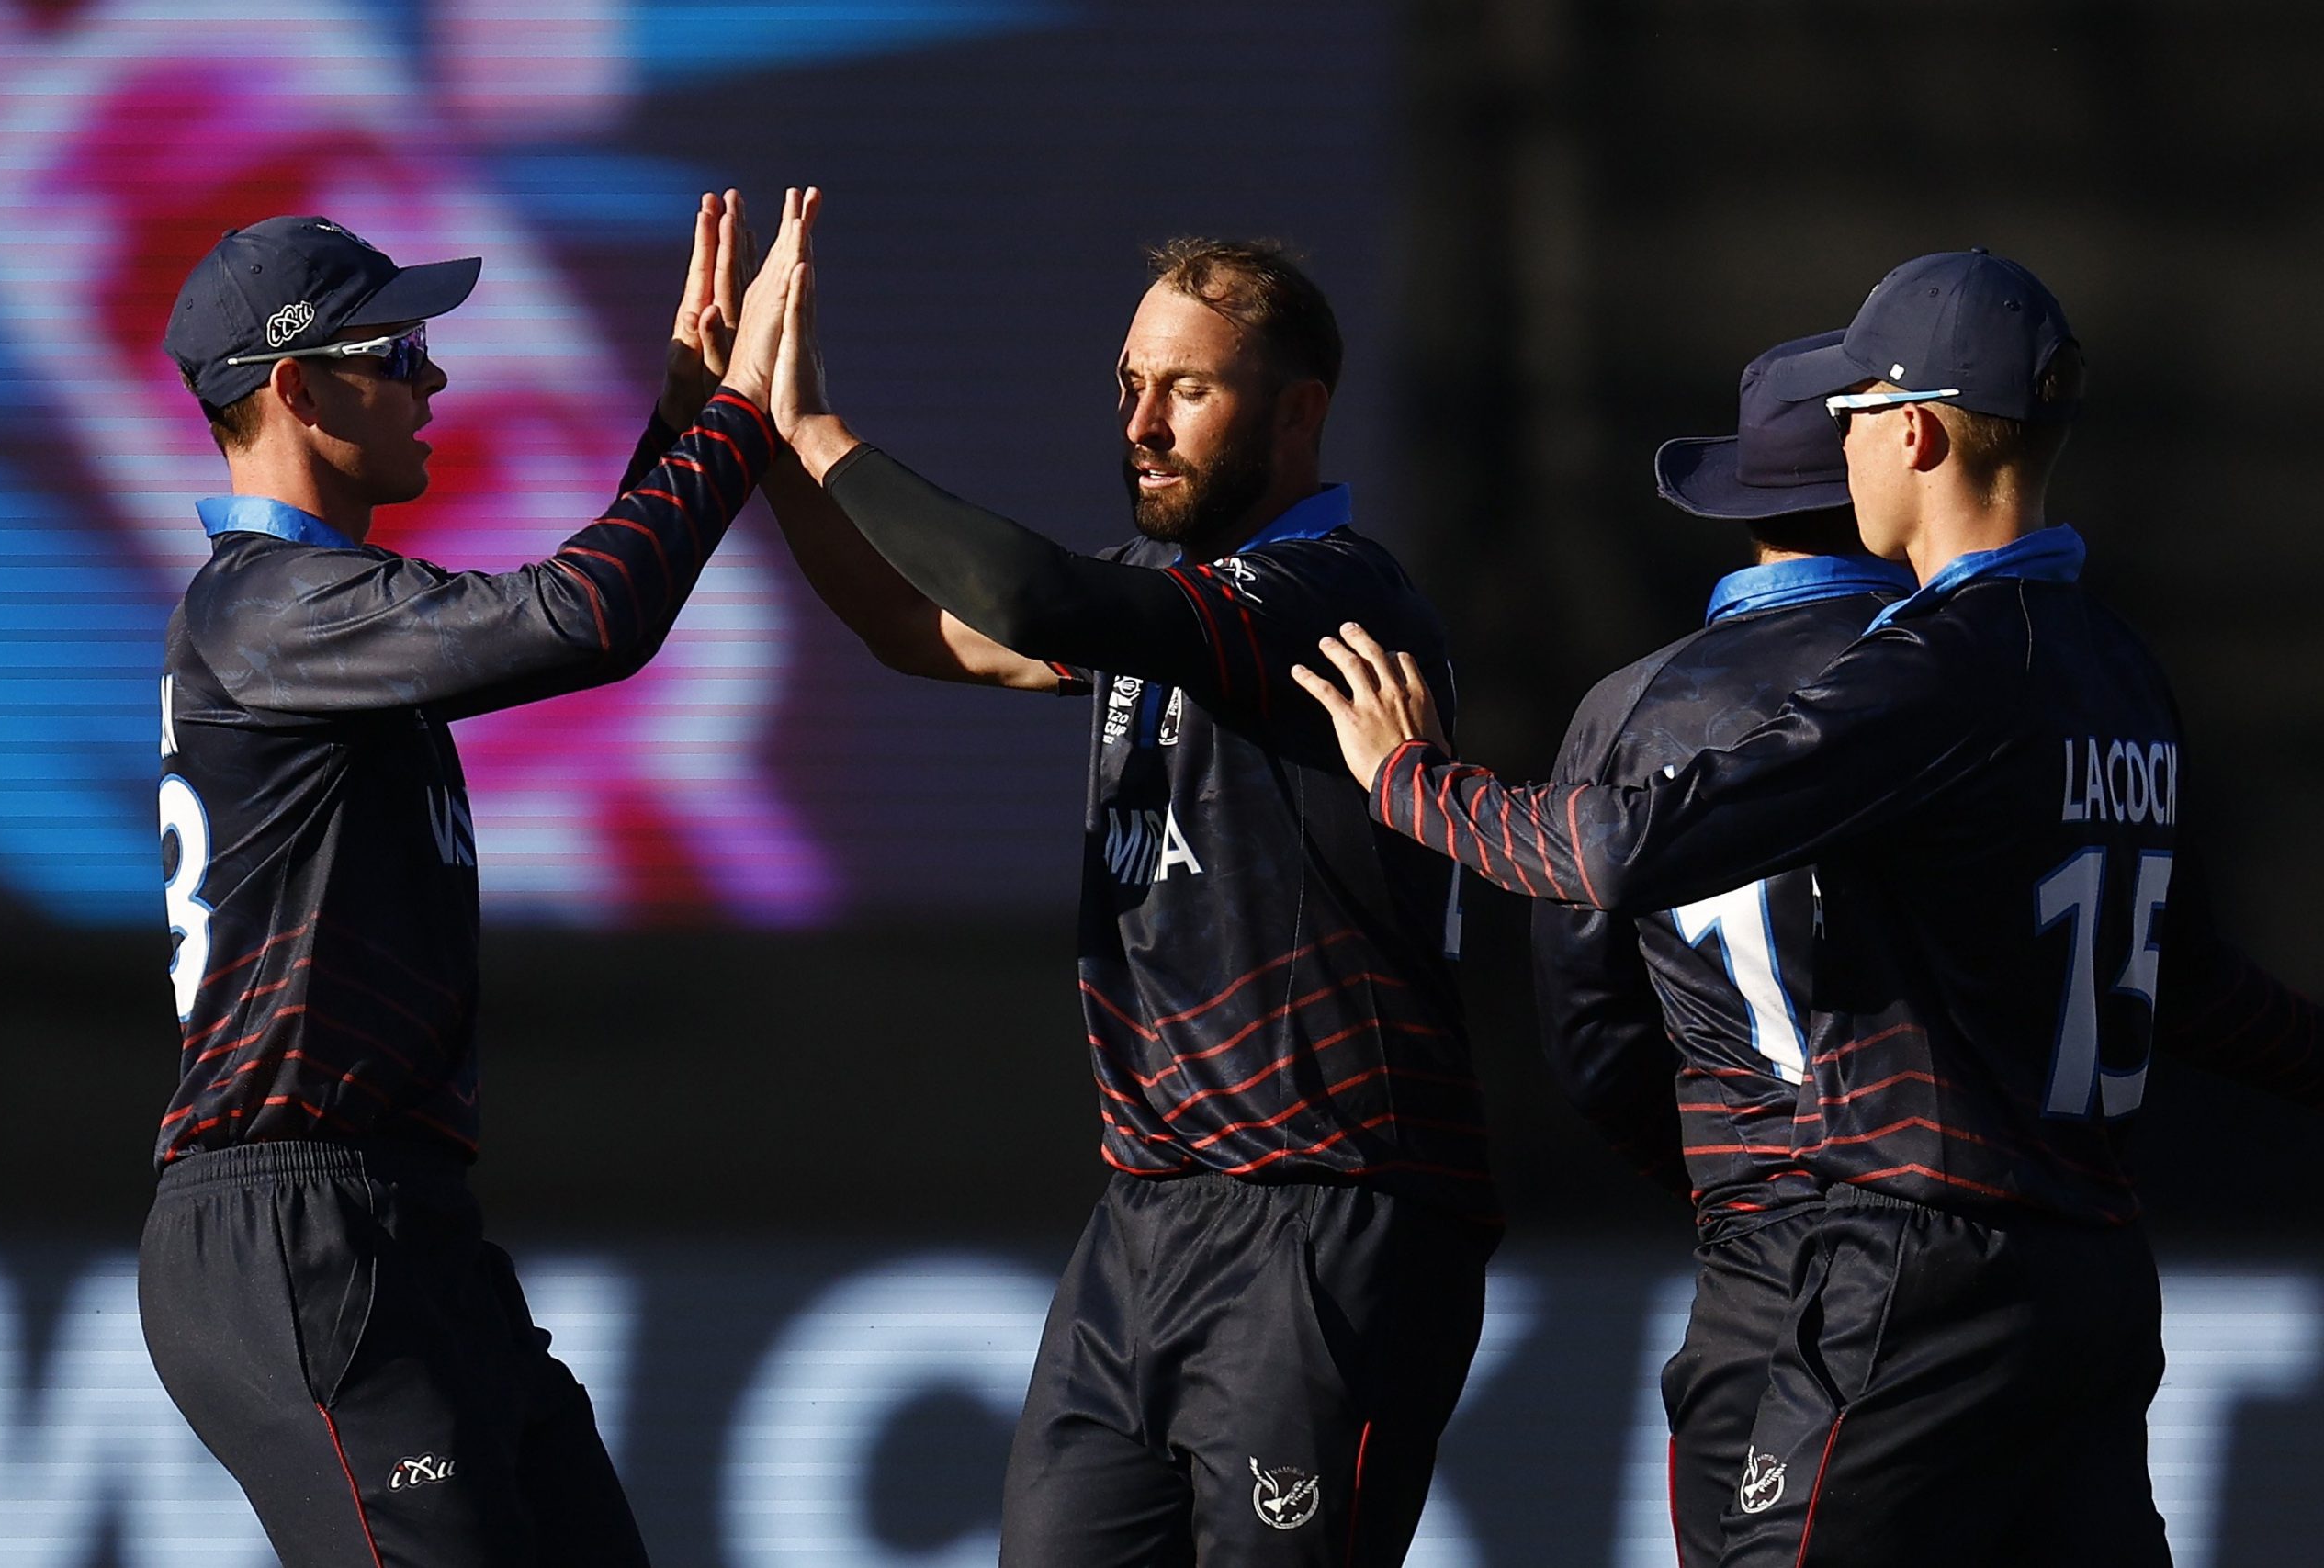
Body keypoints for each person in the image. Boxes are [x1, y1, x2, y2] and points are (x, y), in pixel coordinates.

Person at [1297, 250, 2324, 1566]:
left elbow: (1623, 847)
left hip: (1915, 1275)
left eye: (1850, 425)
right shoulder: (2117, 667)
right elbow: (2191, 986)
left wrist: (1406, 777)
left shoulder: (1941, 668)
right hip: (2093, 1284)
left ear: (1913, 428)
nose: (1839, 461)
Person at [746, 200, 1493, 1564]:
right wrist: (751, 441)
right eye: (1129, 386)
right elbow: (911, 627)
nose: (1141, 424)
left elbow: (1033, 602)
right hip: (1147, 1220)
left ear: (1297, 415)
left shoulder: (1331, 598)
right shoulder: (1163, 592)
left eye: (1188, 390)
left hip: (1326, 1214)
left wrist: (820, 433)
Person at [139, 191, 797, 1565]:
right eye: (393, 353)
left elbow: (571, 625)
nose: (433, 376)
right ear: (300, 387)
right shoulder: (264, 605)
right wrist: (739, 418)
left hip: (401, 1228)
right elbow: (588, 617)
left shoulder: (320, 618)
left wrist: (680, 421)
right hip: (296, 1232)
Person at [1529, 332, 1911, 1568]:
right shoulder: (1976, 676)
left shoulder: (1629, 712)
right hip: (1987, 1250)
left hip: (1772, 1271)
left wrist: (1720, 1176)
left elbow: (1592, 1039)